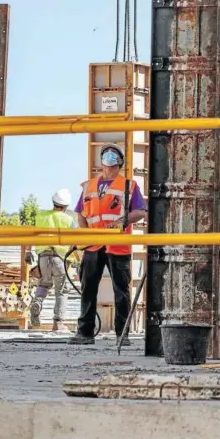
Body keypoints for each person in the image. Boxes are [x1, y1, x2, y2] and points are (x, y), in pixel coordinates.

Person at [68, 143, 147, 346]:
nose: (109, 158)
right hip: (93, 245)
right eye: (106, 154)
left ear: (120, 162)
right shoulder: (89, 186)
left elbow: (139, 211)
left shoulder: (129, 186)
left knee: (121, 290)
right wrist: (86, 235)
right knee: (88, 288)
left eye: (114, 155)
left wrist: (121, 221)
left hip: (117, 244)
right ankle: (84, 332)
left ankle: (123, 334)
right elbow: (81, 214)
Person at [27, 189, 78, 332]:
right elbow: (77, 240)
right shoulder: (68, 219)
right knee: (61, 291)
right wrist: (78, 260)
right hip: (60, 259)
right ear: (66, 206)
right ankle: (58, 323)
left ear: (53, 202)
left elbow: (31, 234)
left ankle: (37, 302)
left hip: (43, 257)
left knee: (43, 284)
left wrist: (28, 252)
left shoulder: (41, 216)